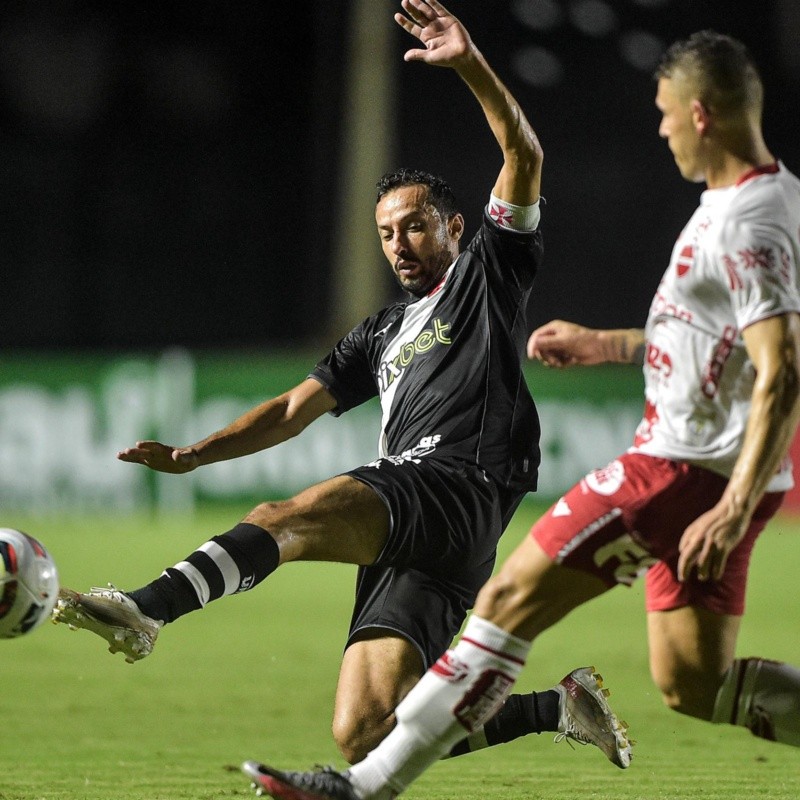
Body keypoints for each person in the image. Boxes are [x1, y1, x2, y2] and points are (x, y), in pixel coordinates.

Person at [52, 0, 631, 772]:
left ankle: (148, 609)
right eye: (388, 232)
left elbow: (523, 154)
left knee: (282, 519)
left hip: (454, 484)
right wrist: (195, 456)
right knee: (367, 730)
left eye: (417, 224)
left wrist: (468, 63)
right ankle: (558, 707)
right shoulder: (380, 333)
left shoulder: (489, 274)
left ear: (457, 227)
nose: (401, 243)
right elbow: (293, 411)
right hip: (431, 539)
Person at [241, 23, 800, 800]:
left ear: (701, 113)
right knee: (692, 684)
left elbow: (782, 369)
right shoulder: (744, 203)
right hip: (706, 468)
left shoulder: (752, 222)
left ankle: (362, 788)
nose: (663, 127)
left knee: (506, 604)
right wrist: (608, 345)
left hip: (682, 468)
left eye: (667, 112)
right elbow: (721, 339)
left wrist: (733, 507)